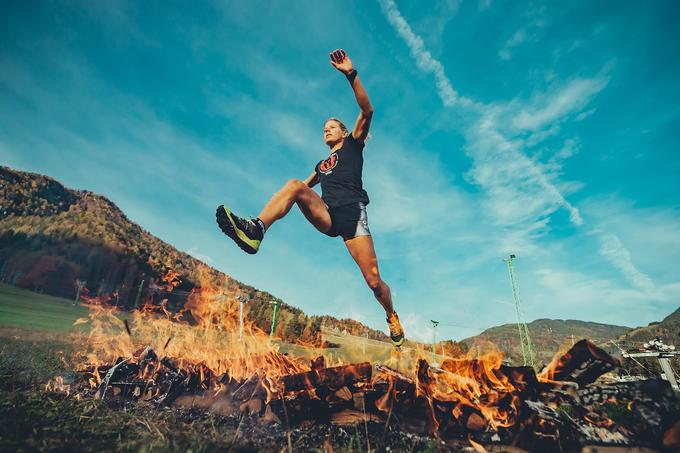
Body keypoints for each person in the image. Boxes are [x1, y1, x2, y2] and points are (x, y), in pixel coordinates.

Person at [216, 49, 404, 346]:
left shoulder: (353, 145)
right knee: (293, 185)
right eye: (323, 128)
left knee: (373, 282)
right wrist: (292, 197)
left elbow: (368, 111)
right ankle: (256, 230)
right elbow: (299, 189)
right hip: (329, 214)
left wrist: (351, 75)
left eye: (332, 126)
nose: (326, 130)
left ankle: (391, 314)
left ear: (343, 132)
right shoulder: (321, 165)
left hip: (353, 216)